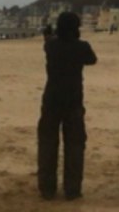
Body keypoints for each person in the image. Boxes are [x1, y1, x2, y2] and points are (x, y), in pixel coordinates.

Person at [37, 11, 97, 200]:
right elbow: (92, 59)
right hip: (73, 101)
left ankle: (47, 188)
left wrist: (49, 35)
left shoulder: (51, 46)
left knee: (47, 144)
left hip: (52, 100)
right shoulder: (82, 47)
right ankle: (72, 188)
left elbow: (49, 43)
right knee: (75, 146)